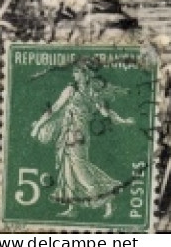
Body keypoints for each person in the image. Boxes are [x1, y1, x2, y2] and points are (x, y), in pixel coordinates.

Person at [31, 62, 134, 218]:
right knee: (68, 168)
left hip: (79, 135)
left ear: (86, 74)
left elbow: (106, 113)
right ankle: (73, 208)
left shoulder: (92, 93)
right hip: (68, 133)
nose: (75, 75)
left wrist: (122, 121)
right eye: (75, 73)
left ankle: (107, 196)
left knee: (80, 168)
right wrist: (38, 125)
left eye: (78, 72)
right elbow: (55, 108)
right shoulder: (71, 90)